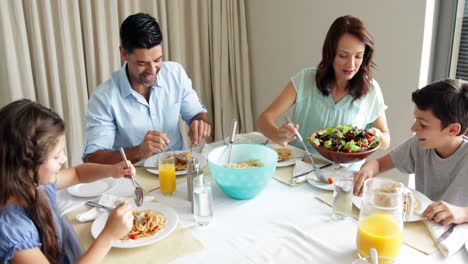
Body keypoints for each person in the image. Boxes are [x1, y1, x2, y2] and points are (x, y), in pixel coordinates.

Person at [0, 99, 136, 263]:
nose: (64, 159)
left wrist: (112, 170)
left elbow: (77, 174)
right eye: (56, 156)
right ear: (26, 165)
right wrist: (109, 235)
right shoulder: (12, 229)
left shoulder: (35, 184)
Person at [256, 15, 390, 169]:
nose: (351, 64)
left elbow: (386, 138)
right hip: (299, 171)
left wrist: (377, 136)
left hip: (343, 180)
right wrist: (277, 134)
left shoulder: (371, 90)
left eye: (358, 56)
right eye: (343, 56)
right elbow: (263, 119)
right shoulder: (305, 79)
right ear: (330, 53)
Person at [84, 13, 211, 164]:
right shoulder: (104, 97)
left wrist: (199, 122)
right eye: (142, 63)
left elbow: (198, 114)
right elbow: (93, 159)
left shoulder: (175, 73)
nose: (152, 71)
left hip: (178, 169)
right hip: (132, 178)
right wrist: (139, 151)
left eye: (157, 60)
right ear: (124, 53)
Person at [353, 79, 468, 225]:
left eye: (423, 124)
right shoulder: (419, 145)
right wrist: (369, 169)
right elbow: (379, 164)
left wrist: (463, 213)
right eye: (416, 119)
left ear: (452, 129)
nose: (413, 128)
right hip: (427, 226)